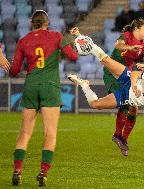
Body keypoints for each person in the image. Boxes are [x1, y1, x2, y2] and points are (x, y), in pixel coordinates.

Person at [68, 38, 144, 161]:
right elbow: (135, 73)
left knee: (95, 104)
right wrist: (135, 85)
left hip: (126, 95)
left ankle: (84, 85)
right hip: (129, 79)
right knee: (105, 59)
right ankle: (85, 42)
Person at [9, 10, 78, 186]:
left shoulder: (24, 41)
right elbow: (73, 56)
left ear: (32, 23)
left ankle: (17, 170)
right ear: (47, 22)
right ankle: (43, 173)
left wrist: (5, 63)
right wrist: (68, 40)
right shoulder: (55, 36)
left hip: (31, 85)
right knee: (50, 133)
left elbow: (14, 71)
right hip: (50, 86)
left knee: (24, 133)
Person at [103, 18, 144, 156]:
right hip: (113, 71)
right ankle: (118, 135)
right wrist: (130, 47)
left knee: (134, 107)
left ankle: (123, 138)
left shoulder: (143, 45)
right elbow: (118, 45)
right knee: (125, 101)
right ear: (136, 29)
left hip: (127, 74)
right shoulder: (126, 36)